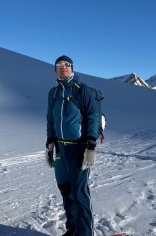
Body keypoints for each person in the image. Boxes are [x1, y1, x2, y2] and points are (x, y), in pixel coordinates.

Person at [46, 55, 100, 236]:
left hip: (78, 147)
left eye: (67, 65)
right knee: (66, 191)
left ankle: (85, 233)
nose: (63, 68)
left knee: (79, 193)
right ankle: (72, 229)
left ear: (72, 68)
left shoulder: (81, 89)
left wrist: (90, 146)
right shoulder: (53, 93)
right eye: (59, 65)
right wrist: (50, 143)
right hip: (61, 148)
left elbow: (92, 115)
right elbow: (50, 120)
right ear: (55, 70)